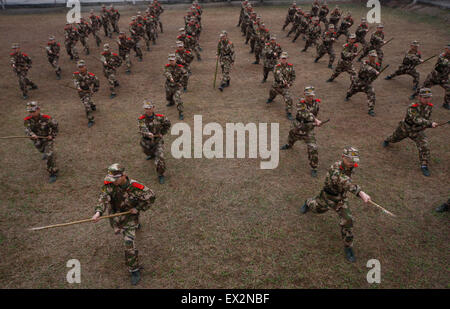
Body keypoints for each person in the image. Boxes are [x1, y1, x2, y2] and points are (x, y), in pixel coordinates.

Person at [301, 146, 372, 262]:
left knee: (348, 220)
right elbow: (346, 182)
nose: (352, 163)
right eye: (350, 161)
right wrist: (361, 193)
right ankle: (308, 202)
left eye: (354, 161)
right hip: (328, 197)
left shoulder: (350, 165)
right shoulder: (336, 170)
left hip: (340, 199)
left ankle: (348, 246)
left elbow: (347, 178)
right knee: (317, 209)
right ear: (343, 157)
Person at [92, 164, 156, 285]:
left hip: (130, 216)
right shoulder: (109, 183)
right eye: (111, 178)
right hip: (115, 215)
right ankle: (134, 226)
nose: (113, 181)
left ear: (124, 176)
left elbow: (151, 196)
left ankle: (134, 269)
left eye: (115, 179)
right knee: (120, 230)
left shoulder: (135, 186)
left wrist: (138, 208)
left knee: (128, 243)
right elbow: (103, 197)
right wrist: (98, 212)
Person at [383, 88, 438, 177]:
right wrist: (429, 123)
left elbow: (426, 119)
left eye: (429, 97)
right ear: (419, 97)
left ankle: (424, 165)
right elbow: (416, 119)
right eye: (425, 97)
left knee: (424, 146)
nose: (427, 99)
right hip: (405, 128)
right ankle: (387, 140)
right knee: (394, 138)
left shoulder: (430, 106)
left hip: (417, 131)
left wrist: (430, 125)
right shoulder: (413, 106)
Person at [280, 86, 323, 176]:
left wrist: (314, 123)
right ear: (304, 95)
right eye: (308, 96)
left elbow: (314, 114)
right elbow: (305, 114)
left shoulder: (316, 104)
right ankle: (289, 145)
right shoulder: (300, 103)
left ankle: (314, 167)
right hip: (298, 126)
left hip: (308, 129)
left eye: (311, 96)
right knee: (291, 135)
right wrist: (316, 120)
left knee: (313, 148)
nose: (310, 97)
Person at [24, 101, 58, 183]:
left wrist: (51, 135)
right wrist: (32, 135)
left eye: (33, 111)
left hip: (47, 139)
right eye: (30, 112)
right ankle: (44, 152)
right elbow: (27, 130)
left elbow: (55, 126)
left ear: (38, 110)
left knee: (49, 155)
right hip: (37, 140)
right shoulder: (27, 120)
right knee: (41, 150)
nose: (31, 113)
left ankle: (52, 173)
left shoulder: (46, 118)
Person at [138, 100, 171, 184]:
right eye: (146, 108)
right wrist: (148, 133)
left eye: (150, 108)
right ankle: (151, 154)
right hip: (146, 141)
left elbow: (167, 124)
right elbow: (142, 128)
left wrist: (162, 133)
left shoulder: (160, 117)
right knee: (147, 151)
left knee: (160, 158)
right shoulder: (141, 119)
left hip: (157, 141)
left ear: (153, 108)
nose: (148, 110)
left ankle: (160, 174)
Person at [266, 52, 296, 120]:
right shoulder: (277, 67)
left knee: (289, 99)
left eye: (285, 58)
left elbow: (293, 76)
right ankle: (270, 99)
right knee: (272, 93)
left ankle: (289, 113)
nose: (284, 60)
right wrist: (283, 81)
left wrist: (290, 83)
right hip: (276, 86)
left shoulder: (291, 66)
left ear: (287, 59)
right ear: (280, 59)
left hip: (285, 88)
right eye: (282, 58)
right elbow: (277, 75)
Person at [72, 60, 100, 127]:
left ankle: (90, 120)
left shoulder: (92, 76)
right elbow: (75, 82)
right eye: (79, 67)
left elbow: (97, 83)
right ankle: (92, 105)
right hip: (81, 92)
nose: (80, 68)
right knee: (85, 101)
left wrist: (93, 90)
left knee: (86, 104)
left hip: (88, 91)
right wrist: (78, 87)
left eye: (82, 67)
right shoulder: (75, 74)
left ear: (85, 67)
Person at [164, 53, 187, 120]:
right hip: (169, 85)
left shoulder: (180, 67)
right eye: (170, 60)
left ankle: (180, 113)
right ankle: (171, 102)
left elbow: (186, 75)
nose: (171, 62)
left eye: (173, 60)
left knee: (178, 99)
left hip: (177, 86)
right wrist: (170, 77)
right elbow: (166, 72)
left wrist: (181, 83)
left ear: (176, 60)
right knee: (168, 96)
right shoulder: (167, 67)